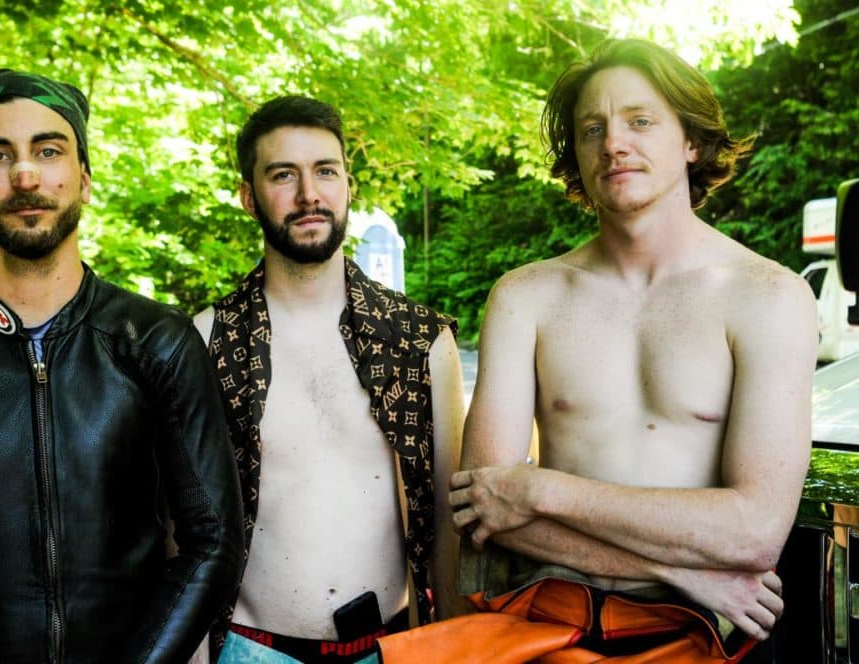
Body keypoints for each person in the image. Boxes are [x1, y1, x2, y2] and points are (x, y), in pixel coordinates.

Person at [377, 38, 817, 662]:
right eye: (592, 129)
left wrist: (541, 491)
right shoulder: (525, 296)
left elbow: (753, 533)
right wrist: (689, 567)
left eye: (640, 121)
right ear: (576, 155)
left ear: (691, 141)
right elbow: (484, 510)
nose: (614, 143)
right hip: (547, 623)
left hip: (700, 633)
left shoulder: (769, 297)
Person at [0, 69, 244, 663]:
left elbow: (213, 541)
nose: (25, 174)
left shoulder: (159, 343)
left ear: (84, 179)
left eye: (48, 149)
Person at [193, 95, 466, 663]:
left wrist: (454, 645)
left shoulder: (420, 341)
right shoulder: (207, 340)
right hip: (251, 649)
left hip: (392, 647)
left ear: (348, 186)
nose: (308, 194)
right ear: (249, 196)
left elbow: (446, 521)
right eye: (282, 175)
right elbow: (185, 531)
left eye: (325, 171)